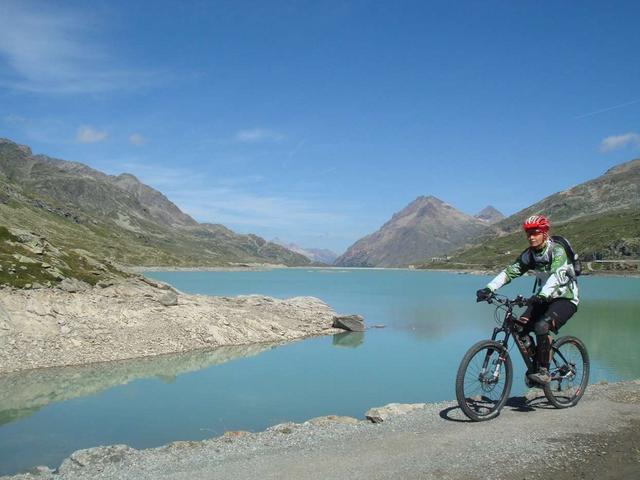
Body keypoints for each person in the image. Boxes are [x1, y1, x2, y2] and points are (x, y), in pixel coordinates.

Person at [476, 215, 579, 384]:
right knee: (518, 328)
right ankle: (536, 365)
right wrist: (489, 288)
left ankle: (544, 371)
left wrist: (543, 294)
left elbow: (556, 276)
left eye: (536, 233)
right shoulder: (530, 255)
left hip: (565, 298)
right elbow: (510, 272)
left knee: (541, 325)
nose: (531, 237)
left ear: (545, 233)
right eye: (528, 233)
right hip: (543, 298)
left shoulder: (557, 250)